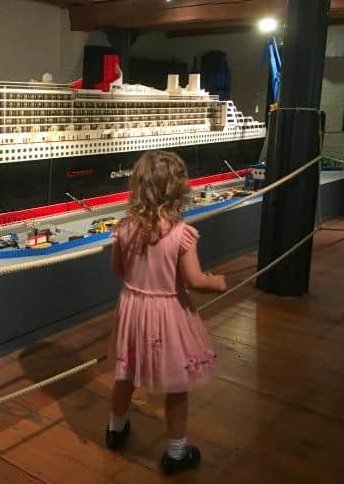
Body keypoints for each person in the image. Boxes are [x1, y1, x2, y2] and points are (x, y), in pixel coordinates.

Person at [106, 150, 227, 475]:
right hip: (168, 315)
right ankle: (176, 454)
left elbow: (118, 268)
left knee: (126, 375)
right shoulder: (180, 234)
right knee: (177, 385)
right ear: (177, 190)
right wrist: (216, 283)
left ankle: (115, 430)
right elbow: (194, 281)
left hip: (133, 311)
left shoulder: (125, 228)